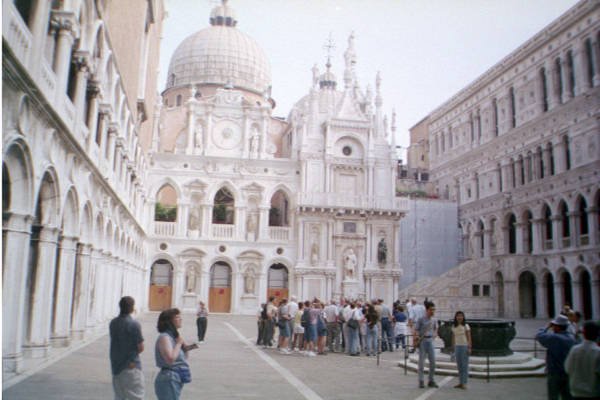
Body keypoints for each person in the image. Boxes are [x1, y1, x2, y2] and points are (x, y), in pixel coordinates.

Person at [154, 308, 195, 400]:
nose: (181, 319)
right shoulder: (164, 337)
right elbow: (170, 359)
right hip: (169, 377)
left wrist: (183, 344)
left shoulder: (173, 336)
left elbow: (184, 357)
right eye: (177, 317)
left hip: (176, 376)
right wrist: (179, 343)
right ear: (169, 321)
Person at [109, 296, 145, 400]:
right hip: (131, 365)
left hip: (116, 365)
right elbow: (140, 347)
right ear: (132, 308)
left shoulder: (113, 323)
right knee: (136, 396)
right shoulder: (134, 324)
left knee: (119, 396)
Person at [535, 314, 577, 400]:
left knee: (553, 396)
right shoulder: (571, 338)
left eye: (554, 326)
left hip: (555, 372)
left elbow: (539, 335)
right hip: (568, 372)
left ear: (558, 327)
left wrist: (547, 326)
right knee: (567, 395)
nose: (553, 327)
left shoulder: (554, 338)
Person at [564, 321, 600, 399]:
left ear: (583, 333)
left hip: (576, 392)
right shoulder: (598, 352)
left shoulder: (574, 350)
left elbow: (567, 369)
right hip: (593, 392)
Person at [415, 301, 438, 389]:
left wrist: (435, 335)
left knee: (433, 362)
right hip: (423, 341)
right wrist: (417, 336)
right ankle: (421, 380)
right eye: (431, 310)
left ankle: (431, 380)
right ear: (427, 310)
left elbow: (436, 329)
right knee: (421, 362)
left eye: (434, 310)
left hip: (430, 340)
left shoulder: (434, 319)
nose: (433, 311)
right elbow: (416, 329)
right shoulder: (421, 319)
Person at [451, 311, 472, 390]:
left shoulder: (466, 326)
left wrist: (469, 347)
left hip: (464, 346)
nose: (459, 317)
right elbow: (453, 337)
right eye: (458, 316)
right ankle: (460, 382)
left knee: (464, 365)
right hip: (457, 346)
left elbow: (469, 337)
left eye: (461, 316)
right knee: (459, 365)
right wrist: (453, 348)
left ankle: (464, 383)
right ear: (456, 317)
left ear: (463, 317)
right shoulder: (454, 326)